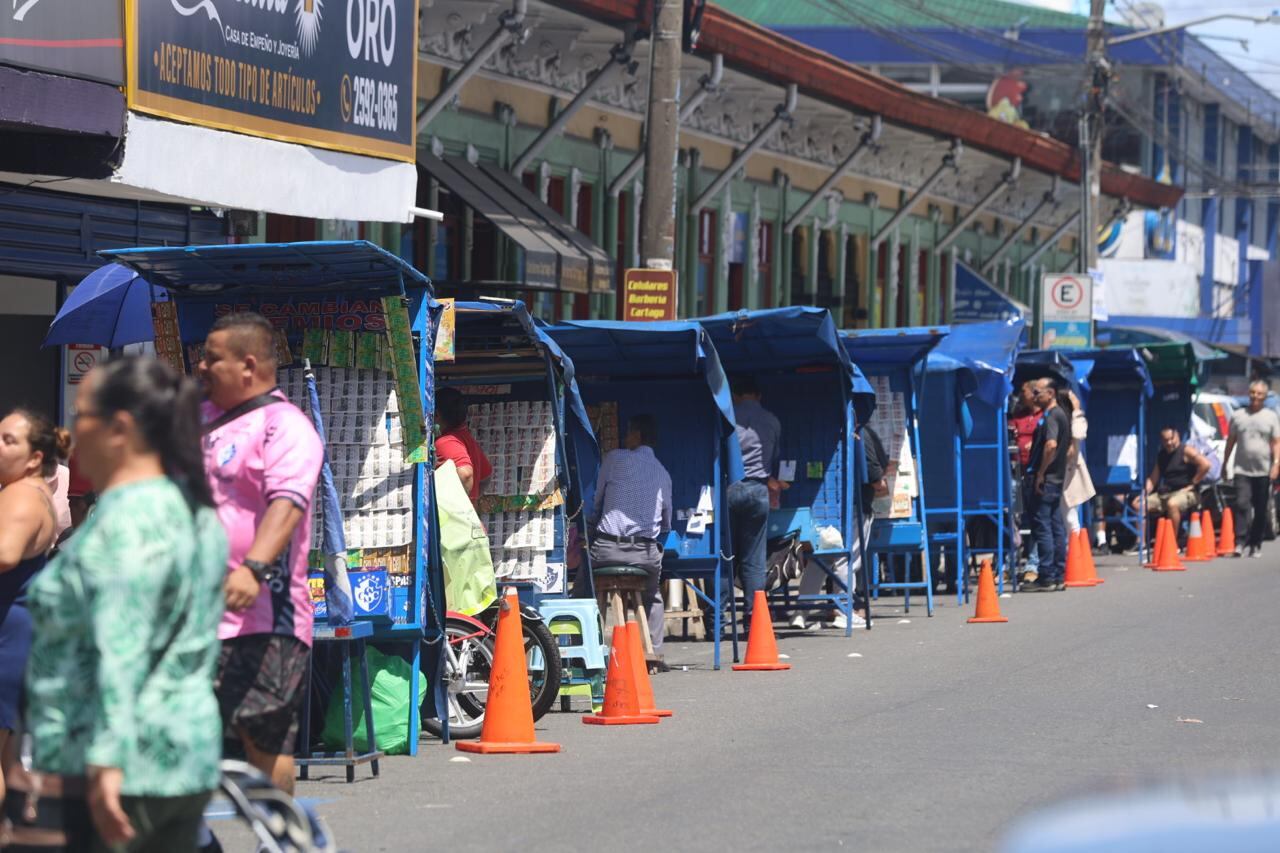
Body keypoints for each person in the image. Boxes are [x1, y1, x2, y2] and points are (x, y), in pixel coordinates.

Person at [22, 357, 226, 852]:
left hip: (120, 767)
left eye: (81, 416)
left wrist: (106, 763)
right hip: (180, 752)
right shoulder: (190, 508)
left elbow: (121, 649)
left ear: (119, 428)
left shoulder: (128, 523)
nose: (72, 433)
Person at [198, 313, 323, 811]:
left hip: (265, 618)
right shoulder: (198, 420)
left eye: (212, 358)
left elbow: (287, 503)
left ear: (247, 365)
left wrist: (253, 568)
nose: (201, 366)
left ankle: (278, 835)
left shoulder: (285, 426)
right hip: (195, 615)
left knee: (261, 741)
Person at [0, 409, 66, 806]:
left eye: (8, 440)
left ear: (34, 458)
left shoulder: (21, 494)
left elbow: (5, 554)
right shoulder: (32, 490)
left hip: (7, 633)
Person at [587, 414, 673, 659]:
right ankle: (654, 653)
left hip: (607, 550)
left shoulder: (614, 458)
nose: (625, 438)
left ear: (636, 435)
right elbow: (666, 521)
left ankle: (587, 645)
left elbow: (597, 501)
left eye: (628, 434)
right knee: (652, 596)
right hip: (644, 555)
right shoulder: (662, 472)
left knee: (585, 584)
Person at [792, 422, 889, 631]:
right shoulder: (860, 433)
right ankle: (844, 611)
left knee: (819, 559)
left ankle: (801, 612)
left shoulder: (823, 431)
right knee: (847, 558)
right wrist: (881, 485)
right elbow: (874, 474)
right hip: (854, 505)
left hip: (822, 504)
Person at [728, 375, 782, 621]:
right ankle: (754, 620)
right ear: (758, 396)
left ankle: (716, 620)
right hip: (759, 489)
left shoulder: (728, 417)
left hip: (731, 487)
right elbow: (776, 457)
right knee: (754, 559)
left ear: (735, 396)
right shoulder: (772, 420)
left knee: (725, 554)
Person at [1223, 380, 1280, 557]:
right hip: (1242, 469)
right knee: (1241, 503)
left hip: (1263, 470)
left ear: (1265, 396)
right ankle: (1240, 541)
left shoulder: (1270, 417)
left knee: (1261, 508)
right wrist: (1225, 463)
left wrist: (1276, 464)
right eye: (1253, 392)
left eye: (1259, 393)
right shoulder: (1238, 415)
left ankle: (1256, 543)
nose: (1255, 396)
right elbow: (1231, 441)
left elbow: (1276, 442)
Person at [1024, 379, 1071, 591]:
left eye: (1038, 392)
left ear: (1050, 393)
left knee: (1043, 527)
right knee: (1055, 526)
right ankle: (1058, 575)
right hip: (1056, 479)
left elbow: (1051, 445)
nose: (1034, 396)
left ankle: (1047, 576)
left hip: (1047, 480)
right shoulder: (1062, 415)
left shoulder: (1052, 415)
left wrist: (1041, 473)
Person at [1133, 426, 1211, 539]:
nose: (1169, 443)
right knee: (1138, 505)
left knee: (1172, 504)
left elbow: (1206, 465)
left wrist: (1193, 483)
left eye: (1171, 439)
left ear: (1177, 436)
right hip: (1166, 493)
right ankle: (1141, 542)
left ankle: (1172, 541)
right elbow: (1153, 479)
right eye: (1166, 440)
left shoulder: (1186, 451)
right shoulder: (1162, 455)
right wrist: (1144, 493)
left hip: (1187, 493)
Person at [434, 387, 493, 502]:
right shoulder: (464, 437)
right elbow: (486, 476)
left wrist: (457, 505)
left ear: (436, 414)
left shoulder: (446, 442)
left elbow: (465, 475)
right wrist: (472, 501)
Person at [1059, 389, 1096, 544]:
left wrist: (1076, 410)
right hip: (1061, 473)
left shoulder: (1075, 420)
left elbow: (1080, 433)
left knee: (1070, 517)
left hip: (1070, 474)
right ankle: (1072, 550)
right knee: (1065, 518)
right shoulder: (1059, 418)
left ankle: (1075, 551)